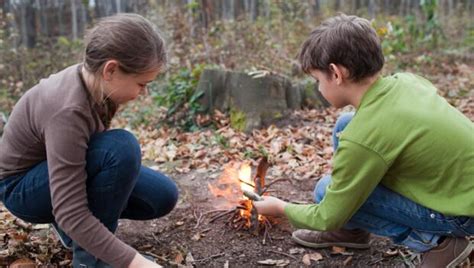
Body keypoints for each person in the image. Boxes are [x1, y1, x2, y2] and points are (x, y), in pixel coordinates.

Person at [253, 14, 473, 268]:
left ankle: (438, 243)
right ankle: (351, 230)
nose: (318, 87)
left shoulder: (365, 136)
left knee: (325, 190)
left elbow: (327, 215)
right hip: (460, 188)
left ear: (335, 73)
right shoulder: (406, 82)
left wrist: (281, 208)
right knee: (344, 124)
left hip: (464, 214)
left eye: (317, 80)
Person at [0, 14, 178, 268]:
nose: (143, 92)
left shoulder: (95, 84)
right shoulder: (68, 110)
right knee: (120, 148)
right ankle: (90, 260)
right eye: (141, 84)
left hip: (55, 173)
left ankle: (76, 234)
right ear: (111, 69)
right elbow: (70, 210)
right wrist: (136, 263)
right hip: (21, 188)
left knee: (162, 195)